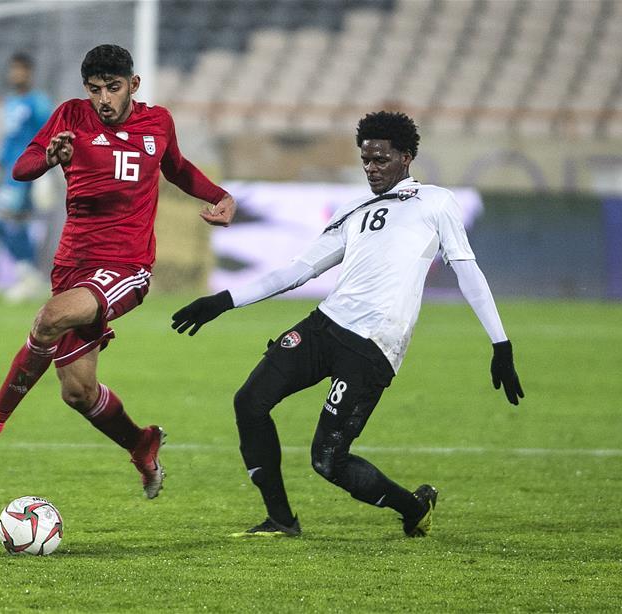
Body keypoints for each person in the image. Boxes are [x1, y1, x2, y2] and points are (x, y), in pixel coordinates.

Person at [171, 111, 523, 536]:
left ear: (406, 158)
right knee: (250, 401)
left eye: (381, 159)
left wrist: (500, 343)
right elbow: (298, 270)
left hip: (374, 344)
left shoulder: (435, 201)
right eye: (366, 160)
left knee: (327, 460)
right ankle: (280, 520)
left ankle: (413, 508)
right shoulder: (354, 207)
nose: (372, 168)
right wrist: (224, 301)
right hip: (326, 326)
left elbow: (468, 271)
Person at [0, 44, 237, 500]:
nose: (104, 99)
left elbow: (176, 168)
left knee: (49, 318)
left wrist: (220, 196)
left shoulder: (158, 123)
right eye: (95, 89)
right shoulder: (71, 116)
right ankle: (141, 443)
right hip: (72, 265)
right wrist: (49, 158)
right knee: (77, 392)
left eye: (113, 88)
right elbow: (21, 168)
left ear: (132, 86)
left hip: (126, 266)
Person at [0, 52, 54, 303]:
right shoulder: (10, 102)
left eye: (21, 69)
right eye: (13, 69)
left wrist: (44, 174)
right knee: (16, 223)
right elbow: (10, 139)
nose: (16, 74)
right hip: (8, 171)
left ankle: (28, 275)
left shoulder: (37, 102)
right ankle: (29, 276)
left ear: (29, 72)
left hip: (26, 172)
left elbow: (50, 132)